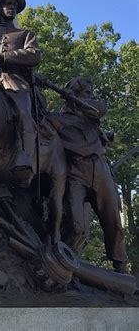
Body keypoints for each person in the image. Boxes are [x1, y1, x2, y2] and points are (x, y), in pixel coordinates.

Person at [54, 77, 129, 273]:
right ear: (76, 94)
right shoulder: (60, 120)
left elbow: (99, 107)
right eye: (87, 93)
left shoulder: (93, 114)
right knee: (76, 227)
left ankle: (121, 268)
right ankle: (67, 267)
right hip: (76, 173)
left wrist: (76, 100)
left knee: (113, 221)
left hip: (101, 170)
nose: (92, 96)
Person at [0, 0, 41, 185]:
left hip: (15, 82)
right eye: (7, 3)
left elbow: (34, 55)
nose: (11, 7)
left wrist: (4, 56)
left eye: (14, 5)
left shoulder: (25, 34)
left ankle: (25, 161)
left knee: (24, 113)